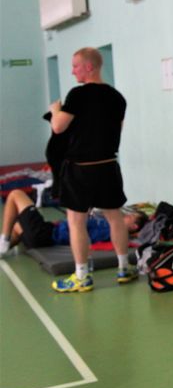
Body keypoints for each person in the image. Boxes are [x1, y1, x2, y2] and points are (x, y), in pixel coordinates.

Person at [48, 47, 137, 292]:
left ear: (89, 67)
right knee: (115, 217)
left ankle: (82, 276)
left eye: (75, 66)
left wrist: (55, 110)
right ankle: (124, 268)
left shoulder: (77, 94)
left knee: (76, 221)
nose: (72, 71)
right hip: (108, 166)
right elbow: (117, 130)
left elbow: (58, 127)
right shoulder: (117, 97)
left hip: (81, 169)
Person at [0, 189, 147, 260]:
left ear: (134, 226)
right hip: (45, 234)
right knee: (17, 227)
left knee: (16, 194)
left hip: (45, 235)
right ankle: (3, 247)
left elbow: (88, 237)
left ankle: (4, 240)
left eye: (131, 217)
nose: (127, 215)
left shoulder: (112, 231)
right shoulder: (110, 223)